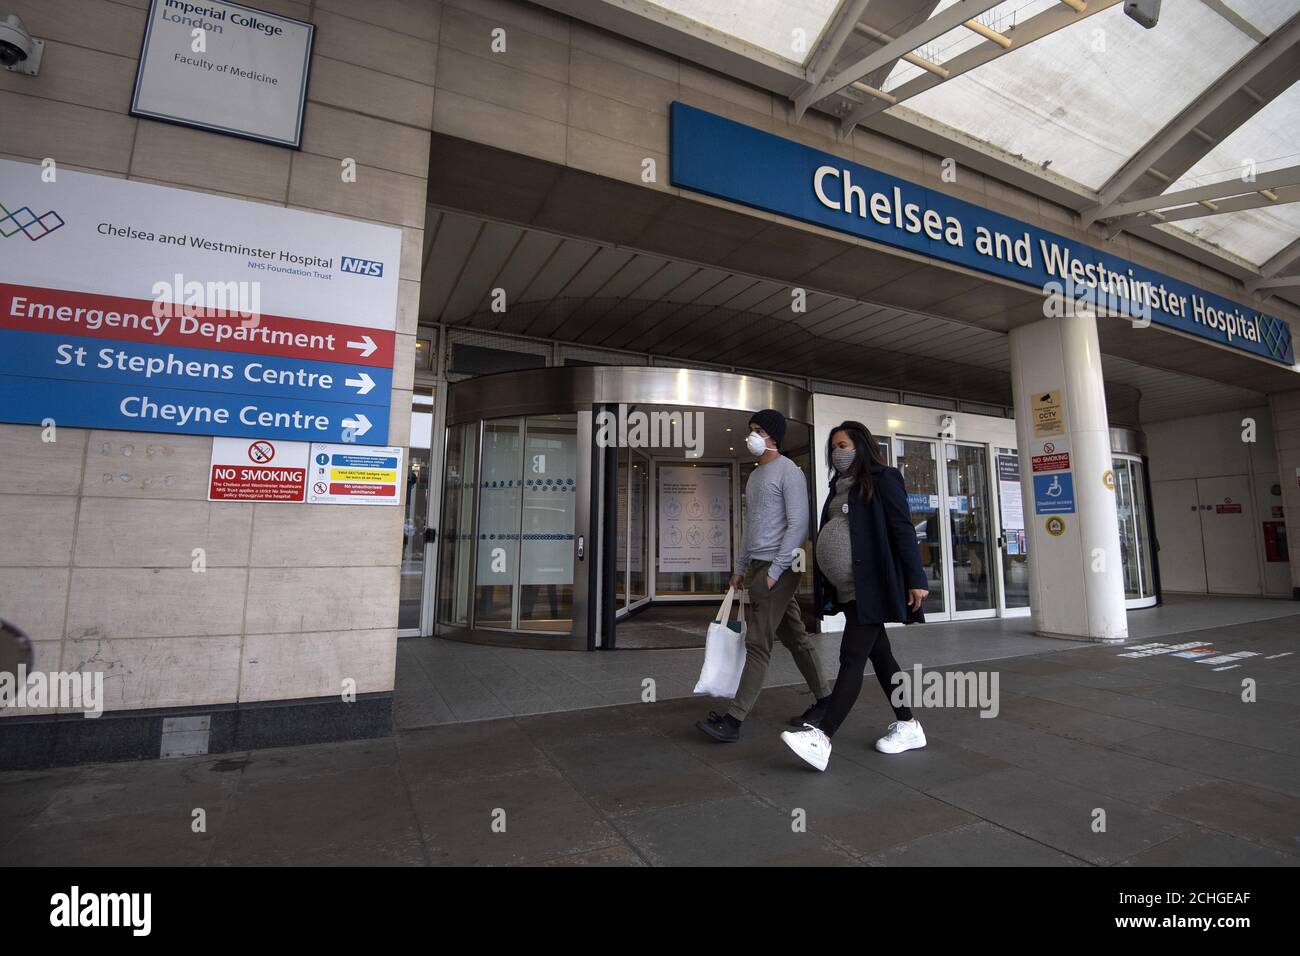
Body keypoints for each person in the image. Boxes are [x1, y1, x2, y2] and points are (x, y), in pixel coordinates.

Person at [780, 421, 930, 772]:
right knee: (882, 657)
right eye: (834, 446)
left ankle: (822, 735)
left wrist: (916, 579)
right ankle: (908, 725)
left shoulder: (884, 478)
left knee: (852, 657)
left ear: (861, 445)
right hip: (847, 587)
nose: (838, 452)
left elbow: (902, 528)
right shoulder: (837, 485)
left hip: (871, 585)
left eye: (844, 444)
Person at [696, 409, 831, 742]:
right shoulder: (756, 476)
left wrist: (774, 572)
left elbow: (798, 525)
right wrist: (741, 567)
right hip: (759, 567)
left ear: (774, 436)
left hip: (777, 569)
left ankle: (733, 720)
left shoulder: (790, 473)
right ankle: (826, 701)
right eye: (750, 430)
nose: (751, 436)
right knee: (795, 636)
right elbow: (751, 526)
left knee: (758, 642)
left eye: (758, 430)